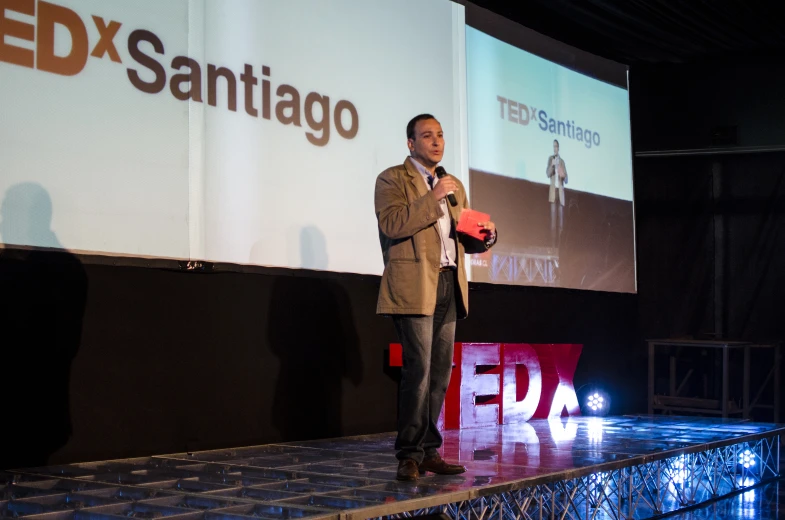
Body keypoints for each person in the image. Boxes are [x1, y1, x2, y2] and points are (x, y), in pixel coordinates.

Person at [374, 114, 497, 481]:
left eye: (440, 135)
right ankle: (408, 454)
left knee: (441, 373)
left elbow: (462, 236)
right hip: (414, 285)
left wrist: (485, 236)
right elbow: (393, 224)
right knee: (420, 370)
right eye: (427, 135)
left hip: (449, 284)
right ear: (411, 143)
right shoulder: (392, 179)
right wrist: (433, 197)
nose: (436, 141)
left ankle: (429, 451)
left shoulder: (452, 183)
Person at [546, 139, 568, 245]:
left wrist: (562, 174)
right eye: (553, 146)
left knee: (561, 225)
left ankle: (560, 247)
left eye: (556, 146)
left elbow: (566, 179)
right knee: (553, 224)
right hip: (553, 193)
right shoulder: (551, 159)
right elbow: (548, 173)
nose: (555, 148)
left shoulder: (562, 162)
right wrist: (552, 165)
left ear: (558, 148)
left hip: (560, 193)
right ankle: (552, 247)